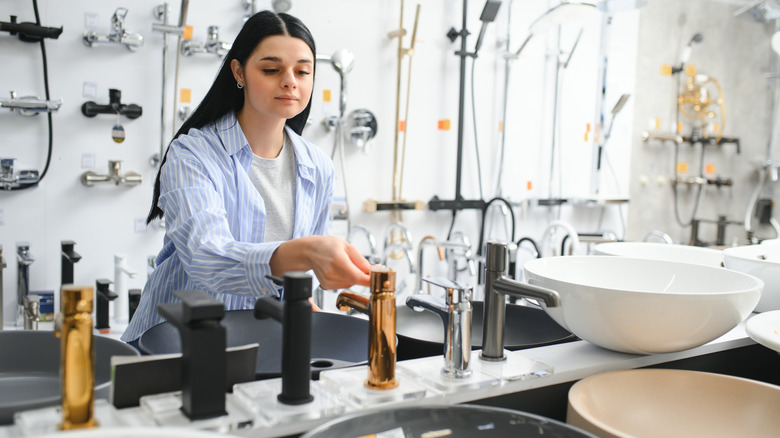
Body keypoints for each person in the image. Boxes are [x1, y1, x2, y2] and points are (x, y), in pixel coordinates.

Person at [122, 10, 371, 345]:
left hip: (254, 349)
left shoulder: (318, 166)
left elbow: (292, 280)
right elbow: (206, 257)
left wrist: (302, 302)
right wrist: (306, 251)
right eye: (271, 69)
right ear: (239, 71)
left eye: (302, 71)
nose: (290, 81)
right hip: (170, 345)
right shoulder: (193, 154)